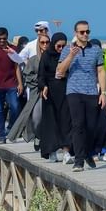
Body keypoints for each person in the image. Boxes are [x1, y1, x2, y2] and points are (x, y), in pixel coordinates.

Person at [56, 20, 106, 170]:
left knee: (91, 127)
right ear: (75, 34)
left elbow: (101, 71)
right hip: (74, 91)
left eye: (87, 32)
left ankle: (87, 153)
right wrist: (71, 56)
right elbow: (60, 70)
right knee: (78, 125)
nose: (85, 35)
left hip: (91, 91)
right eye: (82, 32)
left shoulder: (96, 49)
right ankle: (79, 160)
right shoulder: (67, 49)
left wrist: (103, 92)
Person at [38, 32, 72, 162]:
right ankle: (51, 150)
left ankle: (66, 151)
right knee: (50, 123)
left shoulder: (68, 55)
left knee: (66, 122)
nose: (61, 49)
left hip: (65, 91)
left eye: (64, 46)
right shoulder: (46, 55)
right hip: (50, 93)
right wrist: (43, 86)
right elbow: (41, 75)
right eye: (59, 46)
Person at [0, 27, 23, 143]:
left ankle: (10, 128)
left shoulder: (12, 48)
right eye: (0, 39)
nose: (2, 41)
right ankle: (1, 134)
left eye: (4, 39)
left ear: (7, 37)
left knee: (15, 107)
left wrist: (20, 83)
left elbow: (17, 66)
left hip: (11, 83)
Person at [8, 33, 46, 143]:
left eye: (47, 42)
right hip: (36, 91)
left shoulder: (54, 57)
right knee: (34, 117)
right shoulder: (33, 59)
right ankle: (36, 136)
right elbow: (25, 70)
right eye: (42, 42)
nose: (45, 45)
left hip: (52, 92)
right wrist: (39, 82)